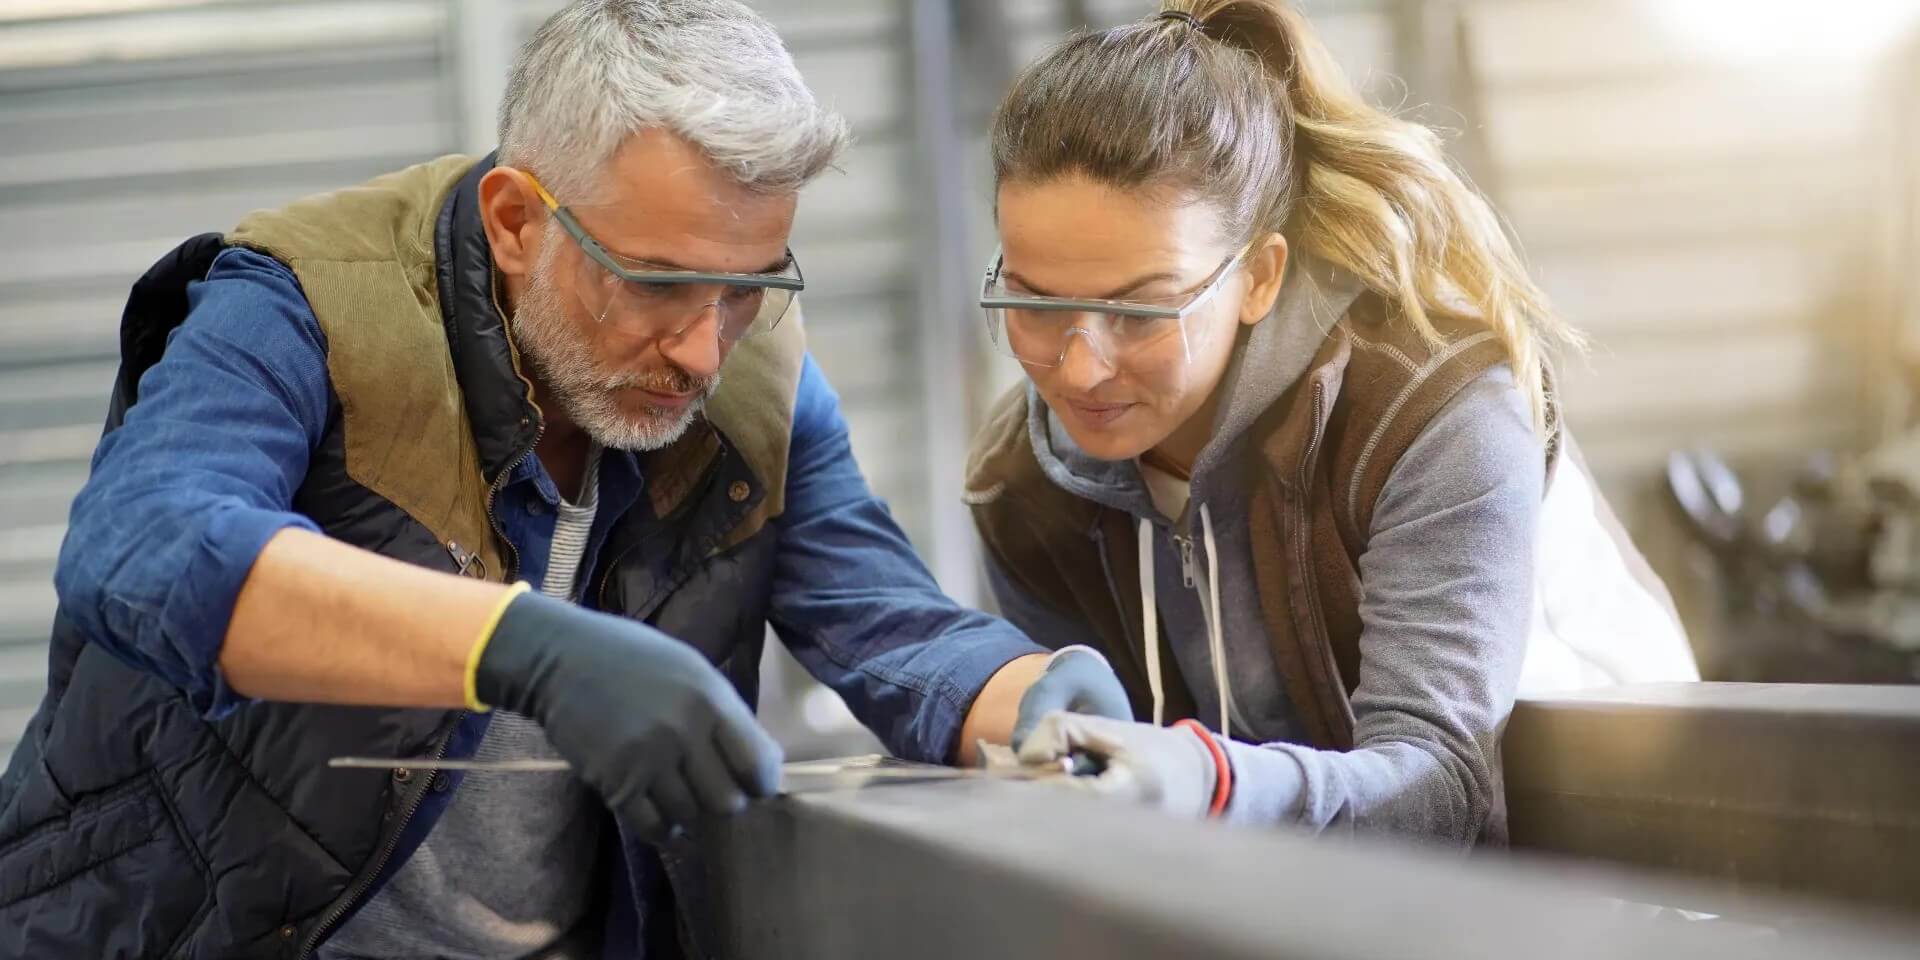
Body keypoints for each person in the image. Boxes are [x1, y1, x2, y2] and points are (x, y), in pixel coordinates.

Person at [0, 2, 1131, 957]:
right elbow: (142, 549)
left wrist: (1029, 689)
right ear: (513, 223)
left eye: (746, 285)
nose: (702, 347)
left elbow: (884, 622)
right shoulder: (301, 304)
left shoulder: (752, 375)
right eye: (655, 285)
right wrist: (522, 648)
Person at [966, 1, 1698, 841]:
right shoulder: (1025, 485)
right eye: (1035, 302)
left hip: (1616, 855)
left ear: (1259, 278)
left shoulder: (1431, 412)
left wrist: (1208, 781)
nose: (1081, 367)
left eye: (1141, 311)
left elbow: (1441, 786)